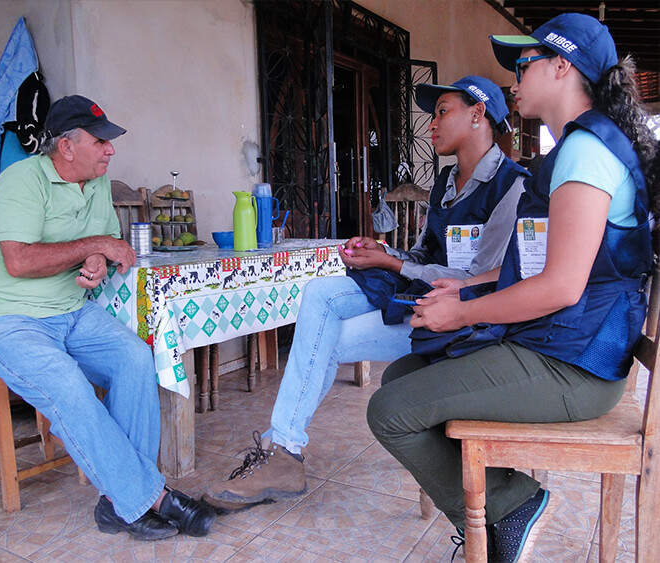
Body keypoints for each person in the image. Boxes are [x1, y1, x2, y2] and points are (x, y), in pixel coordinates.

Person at [366, 13, 659, 562]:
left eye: (523, 66)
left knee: (390, 411)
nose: (514, 81)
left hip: (575, 366)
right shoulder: (576, 148)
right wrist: (463, 293)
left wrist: (463, 315)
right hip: (563, 346)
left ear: (562, 66)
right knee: (405, 376)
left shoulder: (586, 153)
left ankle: (509, 504)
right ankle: (503, 512)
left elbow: (562, 287)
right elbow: (535, 267)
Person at [204, 76, 529, 510]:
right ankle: (283, 449)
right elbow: (423, 254)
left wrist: (394, 264)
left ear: (478, 114)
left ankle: (283, 453)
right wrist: (385, 251)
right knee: (319, 297)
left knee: (322, 340)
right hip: (421, 304)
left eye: (443, 111)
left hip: (465, 326)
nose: (432, 124)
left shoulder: (511, 185)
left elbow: (483, 277)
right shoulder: (446, 182)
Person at [0, 95, 216, 541]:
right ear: (66, 146)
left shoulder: (96, 183)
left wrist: (96, 257)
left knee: (136, 359)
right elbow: (18, 261)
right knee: (68, 386)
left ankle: (120, 505)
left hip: (69, 312)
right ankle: (152, 498)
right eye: (101, 141)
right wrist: (93, 244)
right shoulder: (21, 182)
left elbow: (103, 245)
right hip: (2, 319)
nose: (110, 149)